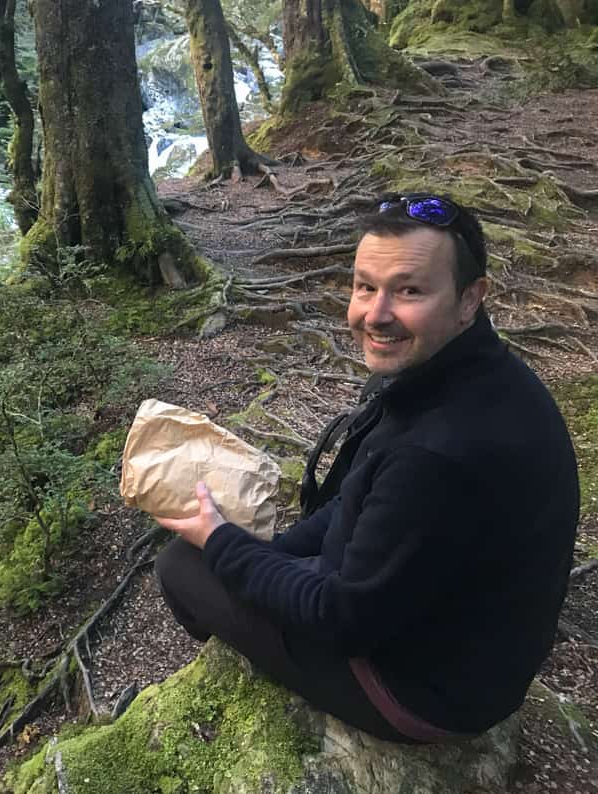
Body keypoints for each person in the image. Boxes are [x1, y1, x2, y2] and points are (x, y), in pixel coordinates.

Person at [153, 194, 580, 743]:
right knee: (244, 561)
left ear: (470, 298)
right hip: (454, 637)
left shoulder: (439, 452)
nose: (375, 314)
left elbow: (341, 620)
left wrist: (222, 546)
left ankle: (245, 669)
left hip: (426, 692)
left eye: (409, 290)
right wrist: (270, 555)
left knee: (180, 567)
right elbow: (355, 497)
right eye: (364, 286)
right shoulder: (461, 377)